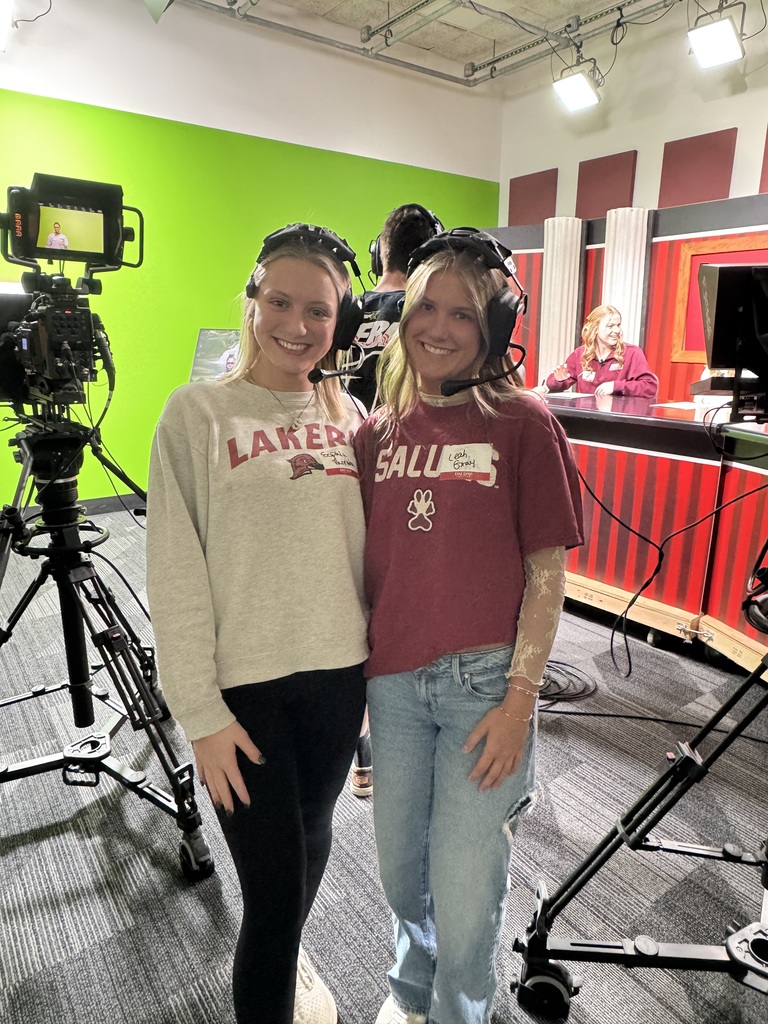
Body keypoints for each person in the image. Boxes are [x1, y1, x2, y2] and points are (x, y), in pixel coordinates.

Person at [352, 228, 584, 1024]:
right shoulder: (376, 431)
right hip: (393, 686)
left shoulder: (524, 423)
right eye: (427, 308)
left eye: (463, 314)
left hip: (485, 688)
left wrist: (521, 701)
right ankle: (411, 987)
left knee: (464, 885)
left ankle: (459, 1009)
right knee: (398, 872)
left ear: (495, 327)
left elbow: (547, 574)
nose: (440, 328)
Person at [146, 223, 369, 1024]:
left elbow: (368, 560)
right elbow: (173, 572)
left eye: (318, 310)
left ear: (341, 320)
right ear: (252, 302)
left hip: (339, 681)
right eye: (280, 302)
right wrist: (199, 715)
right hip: (244, 695)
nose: (297, 325)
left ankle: (291, 959)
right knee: (272, 902)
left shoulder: (351, 412)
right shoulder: (196, 413)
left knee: (312, 835)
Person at [346, 203, 443, 799]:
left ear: (380, 250)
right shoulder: (426, 312)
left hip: (340, 474)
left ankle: (360, 749)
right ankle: (397, 739)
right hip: (403, 478)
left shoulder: (346, 309)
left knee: (352, 604)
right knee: (393, 608)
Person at [540, 304, 658, 398]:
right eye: (610, 326)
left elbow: (650, 387)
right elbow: (553, 384)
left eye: (618, 325)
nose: (617, 330)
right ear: (595, 329)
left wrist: (615, 386)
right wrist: (558, 380)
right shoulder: (580, 354)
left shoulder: (632, 353)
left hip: (618, 417)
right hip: (587, 415)